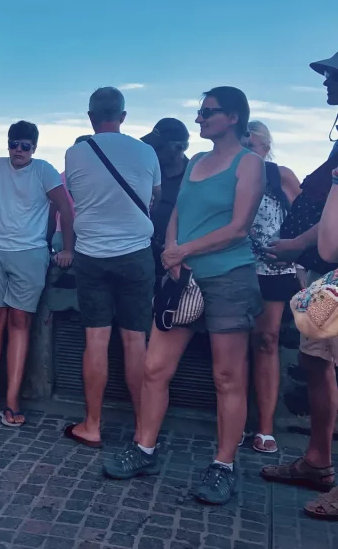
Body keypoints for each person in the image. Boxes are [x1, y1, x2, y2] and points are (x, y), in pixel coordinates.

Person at [103, 87, 265, 505]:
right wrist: (171, 252)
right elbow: (177, 212)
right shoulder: (195, 161)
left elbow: (239, 227)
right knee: (154, 368)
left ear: (232, 117)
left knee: (227, 377)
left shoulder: (250, 164)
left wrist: (183, 251)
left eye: (208, 112)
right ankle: (144, 449)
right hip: (182, 278)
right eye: (200, 111)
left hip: (229, 277)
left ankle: (224, 465)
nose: (200, 118)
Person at [0, 121, 74, 427]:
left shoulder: (44, 171)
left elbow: (65, 209)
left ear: (34, 147)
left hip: (30, 255)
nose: (18, 150)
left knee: (20, 323)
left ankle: (13, 399)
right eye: (13, 144)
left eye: (25, 145)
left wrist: (67, 248)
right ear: (7, 144)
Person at [261, 51, 338, 518]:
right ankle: (317, 460)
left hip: (330, 271)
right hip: (324, 279)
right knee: (315, 362)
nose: (325, 83)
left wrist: (295, 246)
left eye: (331, 75)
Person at [63, 88, 162, 447]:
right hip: (136, 253)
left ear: (90, 116)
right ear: (123, 115)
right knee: (136, 341)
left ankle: (92, 425)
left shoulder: (75, 153)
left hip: (91, 254)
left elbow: (75, 195)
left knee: (96, 340)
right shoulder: (146, 151)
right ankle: (141, 429)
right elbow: (156, 196)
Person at [244, 121, 301, 454]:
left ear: (266, 145)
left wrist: (294, 251)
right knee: (232, 344)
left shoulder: (281, 175)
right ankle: (233, 419)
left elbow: (306, 218)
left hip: (274, 270)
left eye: (252, 145)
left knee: (266, 341)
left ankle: (265, 427)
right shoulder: (229, 175)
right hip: (234, 267)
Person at [141, 118, 191, 280]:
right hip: (144, 255)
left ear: (180, 147)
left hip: (180, 258)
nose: (154, 151)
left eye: (159, 147)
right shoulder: (147, 173)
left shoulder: (195, 176)